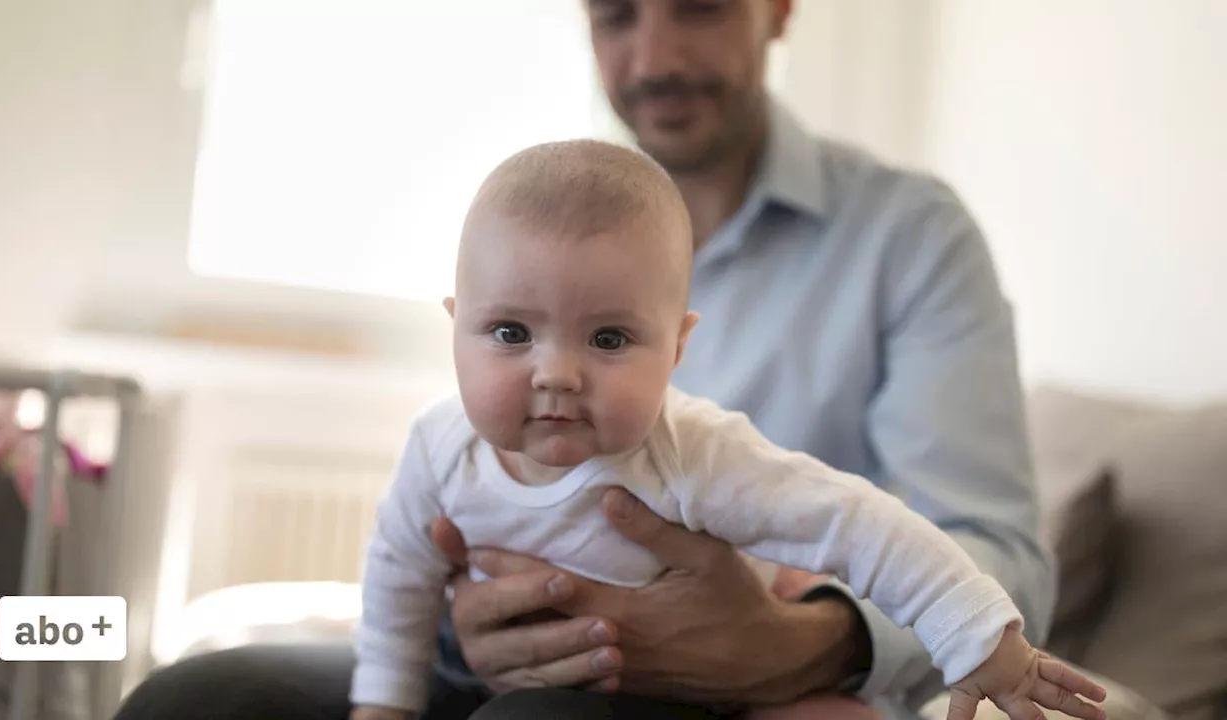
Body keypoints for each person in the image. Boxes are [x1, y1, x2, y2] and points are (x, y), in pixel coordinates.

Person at [113, 1, 1053, 719]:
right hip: (488, 663)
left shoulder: (906, 242)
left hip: (743, 682)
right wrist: (433, 659)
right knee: (192, 701)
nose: (656, 58)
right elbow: (405, 562)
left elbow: (936, 540)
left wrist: (803, 644)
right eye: (615, 14)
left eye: (698, 4)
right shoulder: (531, 226)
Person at [346, 139, 1103, 720]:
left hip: (728, 695)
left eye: (608, 340)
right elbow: (398, 573)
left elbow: (860, 525)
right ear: (455, 328)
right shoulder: (440, 447)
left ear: (677, 348)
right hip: (497, 672)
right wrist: (383, 702)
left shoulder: (695, 454)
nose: (557, 373)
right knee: (239, 688)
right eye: (511, 332)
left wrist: (978, 638)